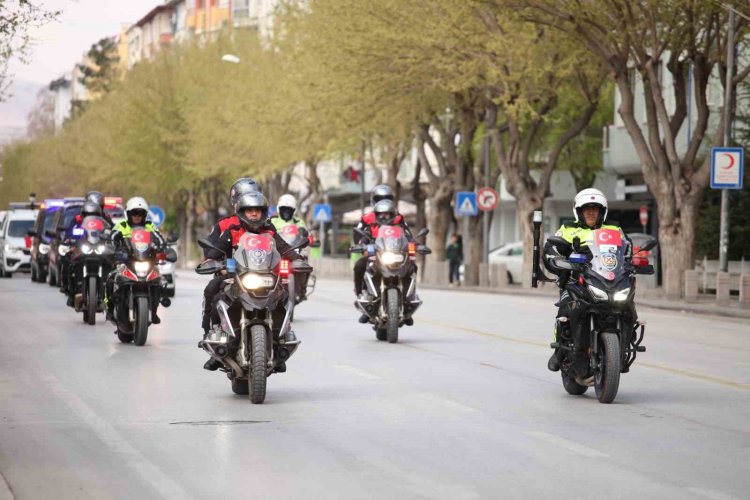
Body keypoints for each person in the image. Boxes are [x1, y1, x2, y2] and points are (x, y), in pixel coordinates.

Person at [201, 190, 305, 372]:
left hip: (266, 277)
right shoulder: (232, 231)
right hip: (236, 278)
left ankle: (280, 341)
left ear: (264, 212)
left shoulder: (270, 231)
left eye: (258, 210)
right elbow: (215, 251)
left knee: (284, 297)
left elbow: (284, 248)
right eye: (250, 210)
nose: (254, 214)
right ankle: (214, 340)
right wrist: (214, 261)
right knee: (214, 291)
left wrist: (297, 259)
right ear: (242, 211)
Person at [543, 188, 632, 372]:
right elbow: (552, 248)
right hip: (578, 281)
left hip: (608, 281)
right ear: (579, 211)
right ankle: (560, 350)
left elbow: (627, 251)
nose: (591, 212)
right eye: (587, 208)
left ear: (602, 211)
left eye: (595, 208)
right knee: (567, 308)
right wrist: (555, 259)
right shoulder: (569, 229)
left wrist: (636, 261)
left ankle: (622, 350)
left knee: (629, 309)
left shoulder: (614, 230)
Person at [200, 177, 261, 334]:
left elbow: (280, 248)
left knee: (284, 293)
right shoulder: (226, 225)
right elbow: (211, 250)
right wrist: (216, 264)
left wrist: (294, 258)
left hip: (263, 275)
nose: (253, 210)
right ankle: (211, 330)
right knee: (212, 290)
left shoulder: (267, 226)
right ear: (236, 202)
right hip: (233, 275)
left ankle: (283, 334)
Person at [353, 197, 418, 324]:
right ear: (376, 214)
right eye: (381, 214)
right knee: (361, 265)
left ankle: (408, 301)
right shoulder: (369, 224)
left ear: (393, 214)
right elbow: (363, 238)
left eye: (387, 213)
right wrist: (361, 245)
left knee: (413, 266)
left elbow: (409, 237)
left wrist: (416, 244)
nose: (384, 216)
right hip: (376, 253)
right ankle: (365, 301)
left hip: (396, 253)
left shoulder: (399, 223)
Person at [105, 197, 166, 322]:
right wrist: (112, 247)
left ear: (144, 215)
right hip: (125, 261)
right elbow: (111, 239)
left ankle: (153, 309)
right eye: (134, 213)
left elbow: (160, 240)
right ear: (128, 214)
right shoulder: (121, 226)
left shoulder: (150, 226)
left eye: (140, 213)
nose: (137, 216)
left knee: (158, 280)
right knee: (111, 277)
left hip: (146, 260)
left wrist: (161, 248)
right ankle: (110, 307)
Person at [62, 200, 104, 306]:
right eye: (88, 214)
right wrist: (69, 240)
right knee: (68, 260)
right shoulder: (77, 220)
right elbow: (68, 234)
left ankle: (108, 291)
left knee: (112, 262)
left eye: (94, 214)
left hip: (98, 248)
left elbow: (111, 230)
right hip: (81, 249)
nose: (91, 216)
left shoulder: (104, 220)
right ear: (83, 213)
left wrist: (111, 239)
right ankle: (69, 289)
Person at [270, 194, 310, 298]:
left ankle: (302, 289)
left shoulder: (298, 222)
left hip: (294, 250)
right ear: (279, 209)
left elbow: (304, 234)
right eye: (284, 209)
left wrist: (304, 233)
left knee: (305, 262)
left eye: (289, 210)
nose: (286, 212)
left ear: (294, 210)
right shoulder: (273, 221)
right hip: (276, 252)